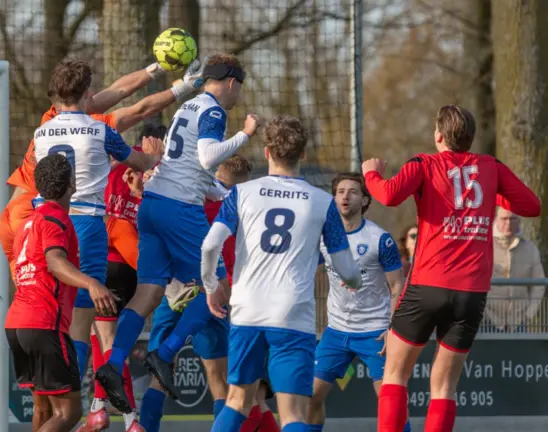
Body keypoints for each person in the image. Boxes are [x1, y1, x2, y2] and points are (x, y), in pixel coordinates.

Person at [96, 53, 260, 413]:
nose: (237, 96)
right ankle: (165, 354)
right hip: (180, 210)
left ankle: (113, 363)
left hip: (153, 205)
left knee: (149, 292)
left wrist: (226, 194)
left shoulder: (187, 107)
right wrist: (245, 134)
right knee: (220, 289)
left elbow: (193, 170)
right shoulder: (215, 111)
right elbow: (208, 157)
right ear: (231, 83)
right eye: (239, 88)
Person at [362, 105, 541, 432]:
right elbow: (532, 205)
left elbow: (388, 196)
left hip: (427, 284)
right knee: (444, 387)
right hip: (470, 293)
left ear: (438, 135)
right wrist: (492, 195)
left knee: (395, 375)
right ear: (471, 138)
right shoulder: (491, 167)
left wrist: (371, 173)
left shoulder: (424, 163)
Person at [201, 116, 362, 432]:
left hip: (247, 311)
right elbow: (346, 270)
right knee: (293, 415)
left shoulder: (241, 193)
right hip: (292, 314)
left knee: (237, 402)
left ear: (266, 152)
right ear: (303, 154)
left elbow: (210, 245)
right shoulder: (322, 201)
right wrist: (355, 281)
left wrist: (211, 286)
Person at [35, 60, 170, 387]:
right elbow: (137, 161)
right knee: (81, 321)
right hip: (86, 225)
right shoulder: (98, 129)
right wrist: (157, 157)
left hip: (46, 222)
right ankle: (71, 395)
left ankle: (48, 392)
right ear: (87, 94)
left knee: (51, 314)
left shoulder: (41, 132)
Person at [139, 155, 256, 432]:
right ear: (243, 181)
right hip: (212, 289)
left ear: (217, 171)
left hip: (176, 287)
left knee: (160, 373)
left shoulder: (189, 192)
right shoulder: (242, 205)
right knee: (218, 377)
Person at [5, 153, 105, 432]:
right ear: (72, 184)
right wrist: (92, 283)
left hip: (17, 323)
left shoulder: (28, 224)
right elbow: (55, 262)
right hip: (44, 324)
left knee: (44, 408)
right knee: (69, 413)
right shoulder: (55, 218)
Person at [6, 61, 203, 201]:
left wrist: (158, 67)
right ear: (86, 94)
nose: (94, 96)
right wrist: (184, 87)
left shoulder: (48, 121)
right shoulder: (96, 129)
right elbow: (140, 110)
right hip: (64, 212)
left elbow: (117, 91)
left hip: (21, 206)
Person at [80, 125, 168, 432]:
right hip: (135, 268)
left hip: (105, 262)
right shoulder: (164, 169)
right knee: (104, 339)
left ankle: (129, 420)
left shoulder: (117, 164)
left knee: (107, 343)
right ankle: (98, 407)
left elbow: (102, 215)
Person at [307, 173, 409, 432]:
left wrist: (392, 328)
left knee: (391, 405)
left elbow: (397, 286)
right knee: (309, 398)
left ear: (364, 200)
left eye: (353, 192)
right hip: (336, 331)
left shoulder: (379, 239)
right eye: (340, 191)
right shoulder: (323, 236)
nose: (345, 196)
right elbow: (306, 271)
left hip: (375, 332)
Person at [485, 207, 546, 332]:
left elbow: (539, 285)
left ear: (519, 220)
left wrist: (528, 315)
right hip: (488, 321)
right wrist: (482, 313)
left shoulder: (530, 249)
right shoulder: (484, 246)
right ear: (496, 219)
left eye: (512, 219)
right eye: (504, 219)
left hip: (519, 323)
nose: (508, 223)